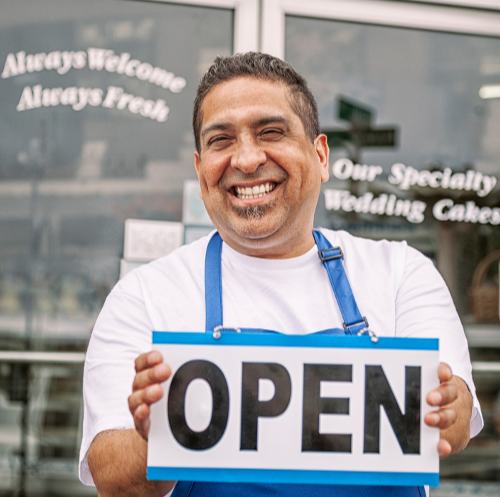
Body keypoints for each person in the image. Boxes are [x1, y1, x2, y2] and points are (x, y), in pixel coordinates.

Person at [79, 52, 482, 497]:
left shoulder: (400, 273)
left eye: (271, 132)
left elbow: (456, 422)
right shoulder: (144, 296)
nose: (247, 159)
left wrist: (446, 406)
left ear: (321, 155)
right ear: (200, 170)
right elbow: (113, 480)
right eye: (221, 140)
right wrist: (158, 435)